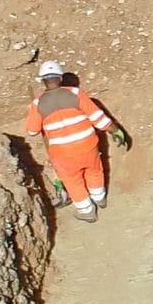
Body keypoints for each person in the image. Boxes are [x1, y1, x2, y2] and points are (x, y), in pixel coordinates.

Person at [24, 60, 128, 220]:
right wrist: (115, 130)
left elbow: (32, 131)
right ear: (61, 77)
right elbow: (97, 117)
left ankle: (87, 211)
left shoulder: (37, 104)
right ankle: (100, 198)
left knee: (73, 181)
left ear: (43, 80)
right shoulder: (76, 93)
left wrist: (39, 114)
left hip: (62, 154)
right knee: (94, 170)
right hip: (87, 145)